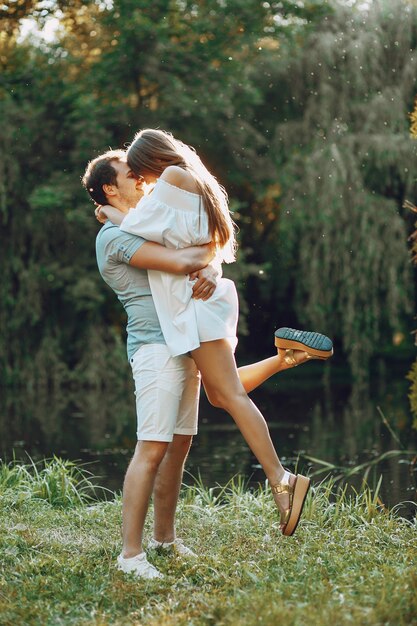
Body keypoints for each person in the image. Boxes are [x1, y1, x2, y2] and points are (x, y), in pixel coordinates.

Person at [83, 150, 331, 580]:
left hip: (186, 338)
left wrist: (214, 271)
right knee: (153, 446)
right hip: (155, 348)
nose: (141, 181)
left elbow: (196, 252)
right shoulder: (112, 237)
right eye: (130, 176)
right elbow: (181, 260)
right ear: (109, 187)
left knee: (181, 444)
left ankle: (165, 539)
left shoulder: (141, 224)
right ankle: (130, 555)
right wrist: (204, 260)